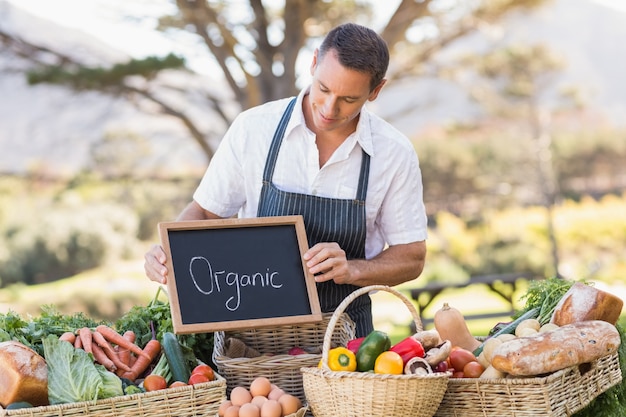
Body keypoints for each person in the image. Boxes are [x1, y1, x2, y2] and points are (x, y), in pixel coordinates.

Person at [144, 22, 427, 337]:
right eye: (323, 88)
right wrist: (169, 253)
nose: (329, 109)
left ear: (376, 90)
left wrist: (353, 268)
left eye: (348, 99)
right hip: (251, 340)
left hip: (347, 342)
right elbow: (206, 213)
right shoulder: (253, 129)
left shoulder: (394, 153)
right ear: (314, 62)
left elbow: (411, 257)